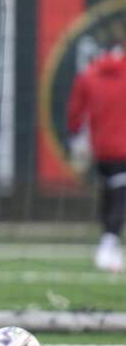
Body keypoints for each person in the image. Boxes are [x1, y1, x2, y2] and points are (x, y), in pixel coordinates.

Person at [67, 45, 126, 273]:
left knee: (110, 197)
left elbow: (74, 113)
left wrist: (75, 140)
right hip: (123, 150)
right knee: (120, 198)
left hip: (101, 149)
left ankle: (109, 246)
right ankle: (107, 245)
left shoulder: (89, 74)